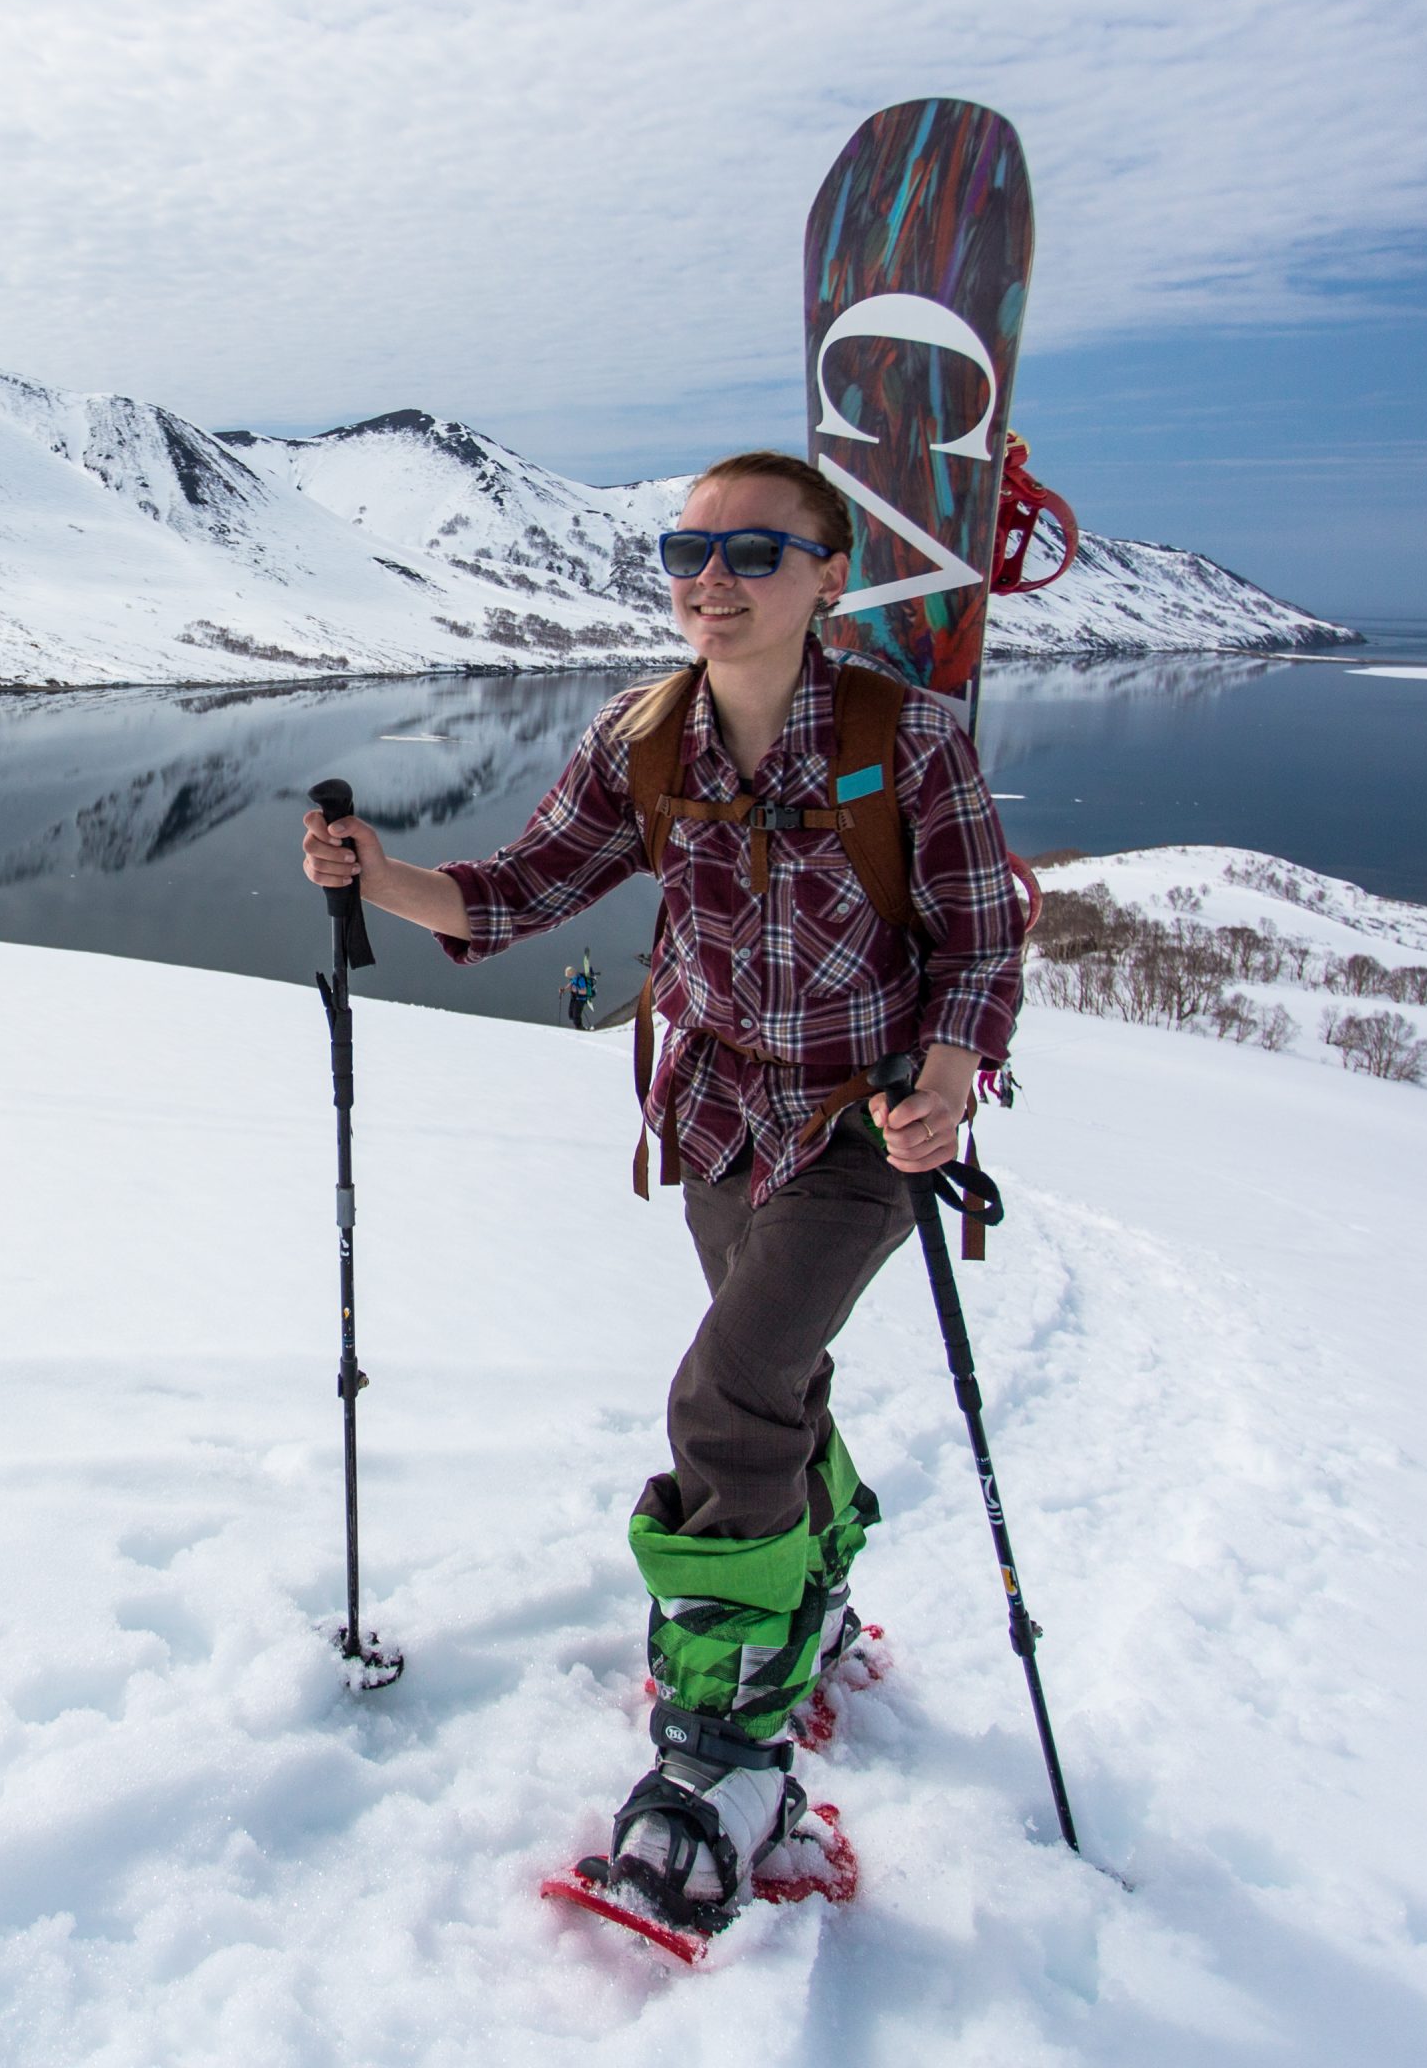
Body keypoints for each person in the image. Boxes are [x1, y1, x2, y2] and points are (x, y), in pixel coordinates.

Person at [300, 448, 1022, 1928]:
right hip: (708, 1117)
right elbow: (512, 894)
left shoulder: (907, 737)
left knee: (725, 1398)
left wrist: (948, 1082)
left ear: (829, 575)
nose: (713, 581)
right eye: (686, 554)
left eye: (756, 553)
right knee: (773, 1383)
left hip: (854, 1130)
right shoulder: (644, 740)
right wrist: (380, 874)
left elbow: (980, 942)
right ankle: (806, 1608)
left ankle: (725, 1752)